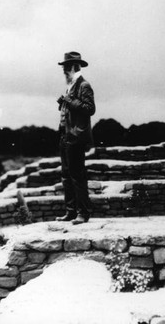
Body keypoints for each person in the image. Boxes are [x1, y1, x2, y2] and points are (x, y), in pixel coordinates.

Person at [55, 51, 96, 224]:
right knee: (66, 175)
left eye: (65, 67)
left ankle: (83, 213)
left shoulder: (83, 85)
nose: (63, 71)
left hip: (76, 137)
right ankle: (71, 212)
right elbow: (72, 109)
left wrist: (69, 101)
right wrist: (63, 103)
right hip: (66, 136)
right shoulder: (72, 85)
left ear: (72, 67)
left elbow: (90, 109)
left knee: (77, 176)